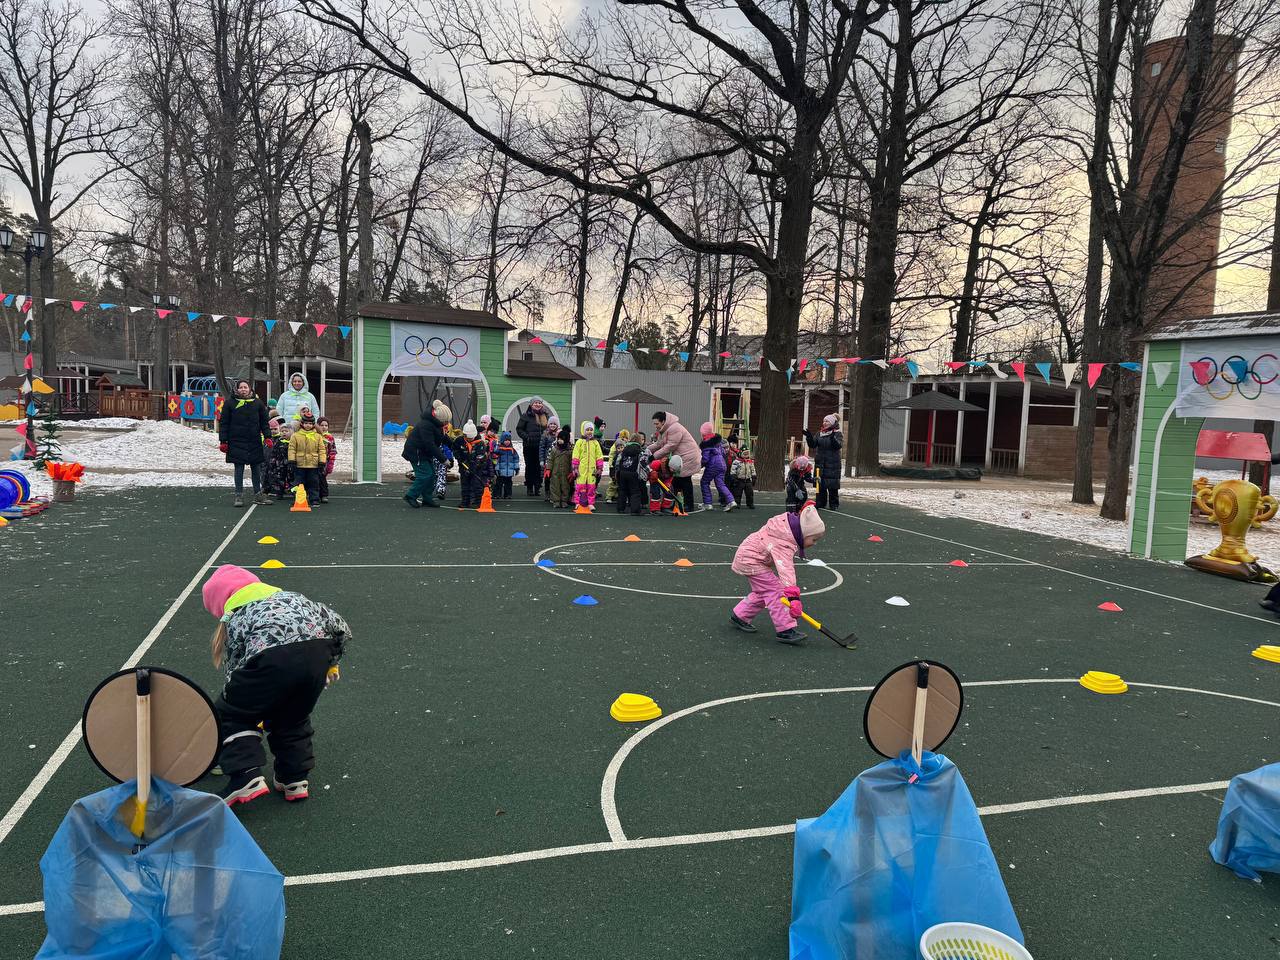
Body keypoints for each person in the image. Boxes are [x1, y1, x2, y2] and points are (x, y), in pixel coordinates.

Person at [202, 564, 350, 805]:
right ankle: (293, 779)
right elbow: (339, 626)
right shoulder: (295, 598)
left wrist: (240, 704)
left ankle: (245, 774)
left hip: (272, 658)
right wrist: (332, 663)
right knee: (293, 716)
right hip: (316, 657)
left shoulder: (239, 615)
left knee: (231, 714)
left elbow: (237, 668)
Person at [729, 502, 827, 645]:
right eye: (814, 539)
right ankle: (785, 630)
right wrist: (793, 598)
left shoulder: (786, 530)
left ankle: (740, 616)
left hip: (750, 557)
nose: (814, 543)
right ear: (804, 532)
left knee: (764, 591)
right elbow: (786, 569)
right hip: (751, 560)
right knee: (776, 591)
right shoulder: (784, 541)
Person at [218, 379, 272, 508]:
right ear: (237, 389)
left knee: (256, 468)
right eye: (241, 387)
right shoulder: (230, 403)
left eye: (245, 387)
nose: (243, 389)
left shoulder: (258, 403)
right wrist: (223, 440)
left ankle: (258, 494)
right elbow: (224, 423)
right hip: (236, 441)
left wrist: (267, 436)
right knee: (239, 468)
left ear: (250, 389)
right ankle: (238, 495)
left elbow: (264, 422)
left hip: (254, 440)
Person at [647, 411, 700, 514]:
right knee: (676, 481)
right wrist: (646, 450)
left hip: (687, 457)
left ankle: (688, 504)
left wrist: (653, 456)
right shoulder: (664, 430)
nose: (655, 426)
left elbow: (671, 446)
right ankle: (674, 503)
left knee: (684, 480)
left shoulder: (674, 428)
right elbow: (658, 444)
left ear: (663, 422)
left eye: (657, 423)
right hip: (680, 456)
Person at [402, 401, 450, 509]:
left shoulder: (437, 424)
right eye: (445, 420)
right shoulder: (426, 425)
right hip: (416, 452)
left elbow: (442, 437)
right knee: (425, 475)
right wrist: (443, 459)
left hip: (424, 452)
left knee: (432, 475)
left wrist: (454, 444)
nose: (447, 422)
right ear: (439, 418)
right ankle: (411, 495)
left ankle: (427, 498)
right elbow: (430, 445)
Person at [804, 414, 844, 509]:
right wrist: (809, 437)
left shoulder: (838, 433)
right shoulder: (819, 433)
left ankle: (834, 504)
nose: (824, 423)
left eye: (827, 421)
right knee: (820, 484)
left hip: (832, 464)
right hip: (820, 463)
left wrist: (832, 438)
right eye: (824, 421)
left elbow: (838, 446)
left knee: (832, 485)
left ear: (832, 423)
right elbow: (813, 445)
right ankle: (820, 503)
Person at [288, 414, 326, 506]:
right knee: (299, 483)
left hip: (313, 464)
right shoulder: (295, 436)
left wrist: (322, 461)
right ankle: (299, 500)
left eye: (310, 423)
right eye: (306, 423)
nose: (308, 425)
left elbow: (321, 450)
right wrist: (292, 460)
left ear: (313, 424)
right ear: (302, 424)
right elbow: (292, 448)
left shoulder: (318, 436)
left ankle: (314, 499)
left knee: (313, 483)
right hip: (299, 464)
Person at [699, 422, 737, 512]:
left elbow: (705, 459)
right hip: (722, 464)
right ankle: (731, 501)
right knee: (720, 484)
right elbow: (724, 453)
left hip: (713, 465)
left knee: (704, 481)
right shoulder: (718, 442)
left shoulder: (706, 444)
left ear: (703, 433)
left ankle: (708, 503)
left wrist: (700, 465)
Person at [517, 398, 551, 496]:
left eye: (539, 403)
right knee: (530, 467)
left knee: (540, 467)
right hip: (529, 446)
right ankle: (529, 487)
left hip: (542, 447)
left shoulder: (546, 416)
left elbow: (550, 429)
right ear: (531, 404)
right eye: (536, 403)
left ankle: (537, 486)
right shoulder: (526, 416)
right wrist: (526, 437)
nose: (538, 404)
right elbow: (519, 429)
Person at [457, 421, 493, 508]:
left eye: (471, 438)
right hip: (464, 466)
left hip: (477, 468)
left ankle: (479, 502)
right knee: (465, 485)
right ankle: (465, 502)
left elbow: (480, 457)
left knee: (477, 485)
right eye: (467, 437)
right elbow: (455, 450)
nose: (469, 439)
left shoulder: (480, 443)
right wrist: (460, 458)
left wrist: (474, 467)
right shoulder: (459, 441)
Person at [572, 421, 605, 511]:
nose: (589, 431)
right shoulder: (579, 442)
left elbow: (599, 455)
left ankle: (590, 503)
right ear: (583, 431)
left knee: (591, 487)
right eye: (587, 430)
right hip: (581, 468)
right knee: (580, 486)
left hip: (592, 469)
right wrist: (575, 467)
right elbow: (575, 455)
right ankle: (578, 502)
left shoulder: (595, 443)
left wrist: (600, 467)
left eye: (591, 430)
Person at [614, 435, 645, 515]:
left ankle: (620, 508)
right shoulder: (640, 450)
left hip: (622, 472)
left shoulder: (624, 450)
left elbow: (618, 461)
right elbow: (643, 463)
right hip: (633, 473)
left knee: (622, 490)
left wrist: (617, 472)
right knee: (635, 492)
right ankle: (635, 510)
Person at [265, 421, 293, 500]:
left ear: (291, 432)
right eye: (282, 431)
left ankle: (293, 492)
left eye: (286, 431)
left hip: (290, 464)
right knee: (280, 478)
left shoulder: (293, 442)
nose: (284, 433)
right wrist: (273, 462)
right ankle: (279, 493)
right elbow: (274, 452)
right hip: (280, 464)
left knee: (291, 478)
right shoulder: (278, 441)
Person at [547, 435, 574, 508]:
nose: (559, 440)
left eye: (561, 439)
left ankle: (564, 501)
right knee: (555, 486)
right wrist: (548, 469)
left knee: (565, 487)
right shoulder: (554, 449)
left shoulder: (569, 451)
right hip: (555, 472)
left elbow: (572, 462)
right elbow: (550, 460)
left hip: (566, 473)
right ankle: (556, 501)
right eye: (558, 439)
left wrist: (572, 471)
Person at [605, 429, 631, 503]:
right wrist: (610, 465)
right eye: (623, 438)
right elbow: (611, 454)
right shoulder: (616, 444)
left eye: (626, 438)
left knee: (622, 484)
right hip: (615, 467)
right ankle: (609, 496)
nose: (625, 439)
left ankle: (618, 495)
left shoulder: (627, 445)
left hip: (623, 468)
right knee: (613, 483)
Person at [730, 443, 758, 509]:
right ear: (741, 453)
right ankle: (737, 503)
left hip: (748, 480)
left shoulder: (750, 461)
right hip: (739, 480)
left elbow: (753, 469)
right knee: (737, 493)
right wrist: (733, 477)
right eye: (744, 454)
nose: (746, 455)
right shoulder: (737, 461)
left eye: (747, 454)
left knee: (750, 493)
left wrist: (754, 476)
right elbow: (733, 469)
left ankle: (750, 503)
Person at [317, 417, 337, 504]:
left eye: (326, 425)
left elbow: (333, 451)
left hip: (325, 461)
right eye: (321, 425)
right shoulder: (316, 436)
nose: (324, 427)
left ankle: (324, 495)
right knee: (314, 479)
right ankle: (315, 495)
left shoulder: (330, 438)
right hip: (315, 460)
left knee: (322, 478)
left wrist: (330, 464)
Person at [495, 431, 520, 499]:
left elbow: (516, 459)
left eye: (508, 440)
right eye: (505, 440)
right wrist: (497, 469)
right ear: (502, 440)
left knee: (508, 484)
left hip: (509, 471)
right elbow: (496, 459)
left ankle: (508, 494)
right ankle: (498, 494)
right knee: (499, 483)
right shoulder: (499, 449)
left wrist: (516, 468)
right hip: (501, 471)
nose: (507, 442)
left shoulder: (512, 450)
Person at [540, 418, 560, 502]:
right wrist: (541, 459)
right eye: (551, 424)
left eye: (554, 424)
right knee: (547, 477)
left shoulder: (559, 434)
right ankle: (547, 492)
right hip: (547, 459)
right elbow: (541, 448)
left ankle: (554, 493)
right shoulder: (545, 434)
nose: (552, 425)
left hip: (557, 459)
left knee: (555, 477)